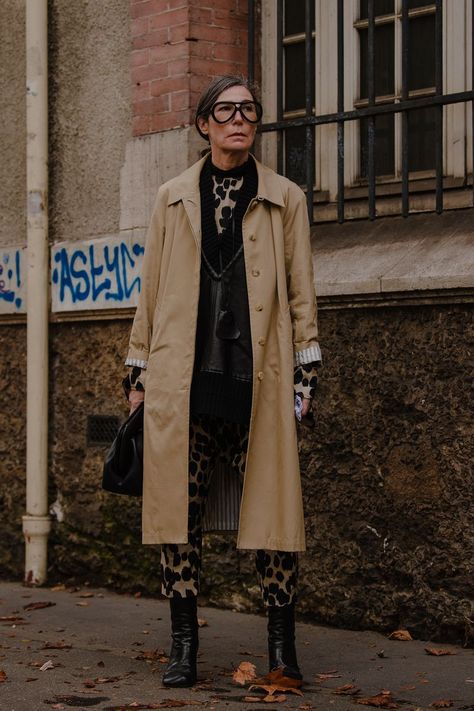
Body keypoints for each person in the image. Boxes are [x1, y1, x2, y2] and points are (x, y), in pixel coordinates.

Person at [124, 75, 321, 688]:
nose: (239, 118)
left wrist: (305, 376)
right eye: (225, 109)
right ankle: (183, 648)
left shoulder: (286, 197)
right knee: (178, 517)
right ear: (205, 124)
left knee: (274, 520)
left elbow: (300, 293)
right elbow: (151, 290)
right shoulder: (172, 197)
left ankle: (283, 653)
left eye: (248, 110)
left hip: (256, 383)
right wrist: (138, 373)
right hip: (184, 384)